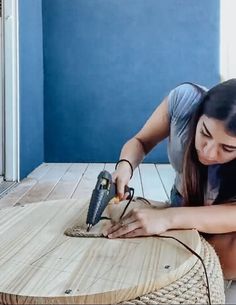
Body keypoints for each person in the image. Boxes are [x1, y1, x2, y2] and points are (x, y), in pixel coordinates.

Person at [106, 79, 236, 280]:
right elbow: (141, 141)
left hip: (223, 222)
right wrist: (125, 166)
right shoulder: (185, 101)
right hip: (182, 202)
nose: (208, 152)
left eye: (227, 148)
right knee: (117, 221)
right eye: (205, 133)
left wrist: (167, 218)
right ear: (199, 114)